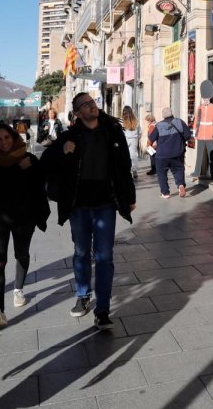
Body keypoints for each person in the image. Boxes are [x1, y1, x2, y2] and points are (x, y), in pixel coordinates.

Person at [42, 92, 135, 331]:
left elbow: (124, 166)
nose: (92, 107)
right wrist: (62, 149)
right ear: (77, 112)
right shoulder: (70, 135)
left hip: (106, 204)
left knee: (104, 257)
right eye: (86, 104)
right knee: (81, 252)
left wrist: (129, 197)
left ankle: (102, 309)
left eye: (93, 103)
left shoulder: (112, 132)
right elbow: (46, 160)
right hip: (79, 206)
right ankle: (83, 295)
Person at [0, 123, 50, 327]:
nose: (4, 142)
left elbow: (40, 181)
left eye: (6, 138)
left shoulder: (29, 158)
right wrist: (19, 169)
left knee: (21, 254)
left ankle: (18, 289)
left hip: (24, 217)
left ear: (14, 137)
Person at [148, 107, 190, 198]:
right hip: (177, 152)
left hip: (162, 155)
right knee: (178, 169)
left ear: (163, 116)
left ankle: (165, 193)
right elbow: (188, 135)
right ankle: (181, 185)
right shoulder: (180, 122)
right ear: (172, 113)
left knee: (161, 172)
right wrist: (180, 142)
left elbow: (151, 138)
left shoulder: (158, 126)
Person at [191, 95, 213, 181]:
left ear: (209, 98)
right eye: (204, 98)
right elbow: (196, 120)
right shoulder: (200, 107)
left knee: (211, 155)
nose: (205, 100)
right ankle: (197, 171)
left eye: (207, 98)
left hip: (209, 134)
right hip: (200, 134)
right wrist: (195, 131)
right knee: (199, 154)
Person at [120, 106, 140, 176]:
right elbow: (139, 131)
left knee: (125, 155)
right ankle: (134, 170)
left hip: (125, 139)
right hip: (134, 138)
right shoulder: (135, 120)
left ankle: (128, 170)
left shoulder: (122, 120)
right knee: (133, 155)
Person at [142, 111, 156, 175]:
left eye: (147, 121)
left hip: (153, 144)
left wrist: (148, 146)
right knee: (156, 157)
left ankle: (153, 170)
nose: (146, 122)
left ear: (149, 120)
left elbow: (151, 136)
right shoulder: (156, 124)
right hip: (158, 144)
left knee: (152, 158)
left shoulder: (151, 126)